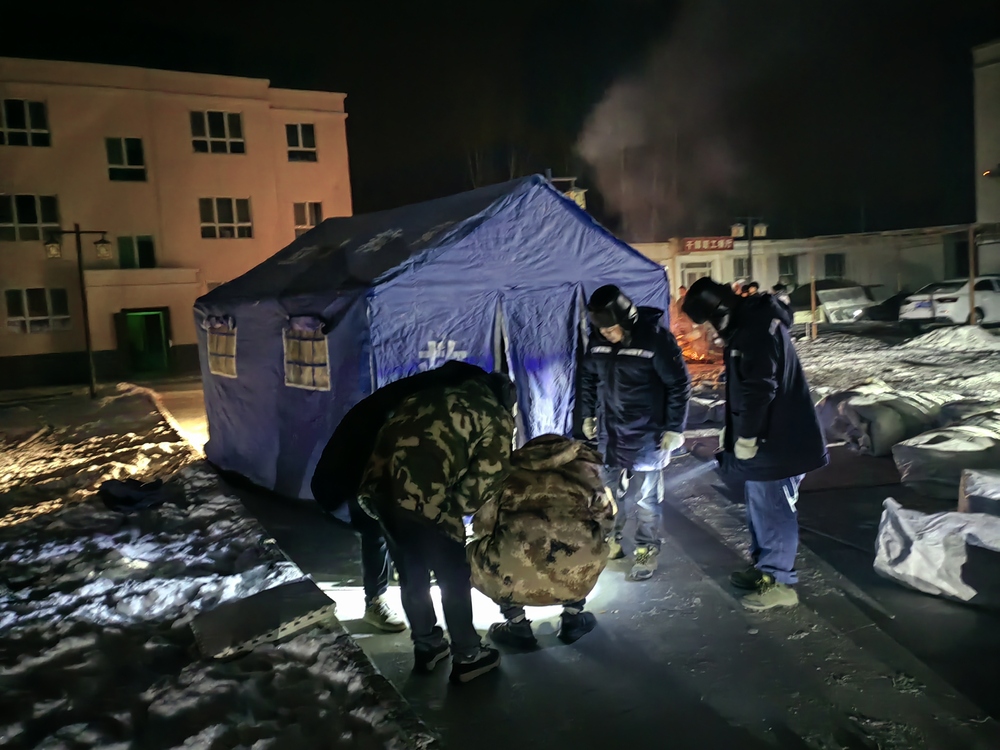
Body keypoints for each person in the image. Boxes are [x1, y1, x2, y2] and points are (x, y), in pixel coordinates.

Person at [358, 370, 516, 683]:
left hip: (379, 489)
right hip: (425, 496)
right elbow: (487, 476)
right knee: (453, 576)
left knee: (410, 568)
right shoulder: (493, 414)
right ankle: (469, 655)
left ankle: (427, 646)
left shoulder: (430, 395)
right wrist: (455, 509)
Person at [311, 360, 493, 633]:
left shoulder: (431, 390)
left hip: (374, 460)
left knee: (394, 536)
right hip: (365, 463)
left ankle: (419, 631)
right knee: (380, 532)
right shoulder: (429, 400)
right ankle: (378, 603)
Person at [682, 277, 828, 610]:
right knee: (761, 506)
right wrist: (734, 433)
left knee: (774, 510)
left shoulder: (754, 332)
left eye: (709, 323)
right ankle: (765, 568)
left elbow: (759, 389)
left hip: (780, 441)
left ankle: (780, 582)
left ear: (719, 312)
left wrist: (746, 436)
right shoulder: (751, 322)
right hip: (769, 439)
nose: (711, 332)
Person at [579, 284, 691, 581]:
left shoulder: (655, 340)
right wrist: (587, 414)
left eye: (611, 329)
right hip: (611, 431)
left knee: (645, 498)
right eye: (601, 330)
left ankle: (646, 549)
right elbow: (588, 378)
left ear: (626, 321)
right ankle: (611, 542)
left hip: (648, 433)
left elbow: (679, 385)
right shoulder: (597, 341)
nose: (606, 334)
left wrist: (674, 428)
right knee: (608, 494)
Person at [467, 434, 615, 648]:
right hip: (574, 571)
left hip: (515, 574)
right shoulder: (586, 471)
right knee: (592, 546)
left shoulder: (507, 474)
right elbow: (607, 519)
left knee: (474, 552)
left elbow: (482, 526)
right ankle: (573, 618)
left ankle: (517, 624)